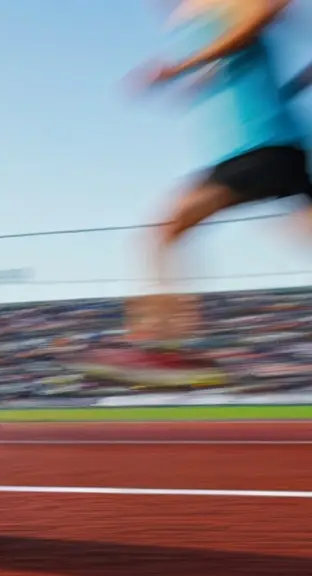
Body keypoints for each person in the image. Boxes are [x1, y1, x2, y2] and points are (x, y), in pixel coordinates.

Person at [85, 0, 311, 387]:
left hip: (259, 144)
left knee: (165, 229)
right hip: (265, 144)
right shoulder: (195, 14)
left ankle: (165, 349)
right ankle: (167, 349)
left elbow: (261, 15)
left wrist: (182, 67)